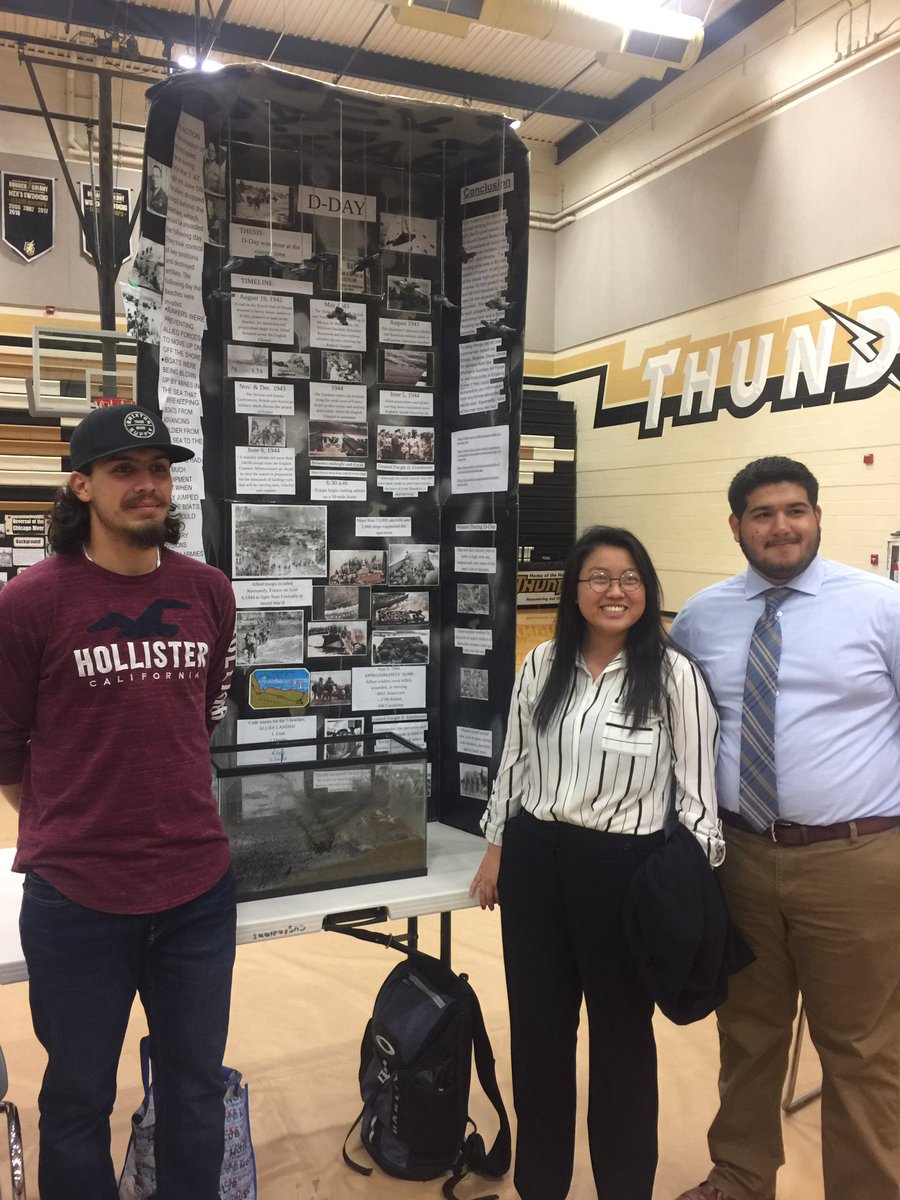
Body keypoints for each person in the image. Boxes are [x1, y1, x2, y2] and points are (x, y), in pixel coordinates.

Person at [0, 404, 237, 1200]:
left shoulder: (208, 592)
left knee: (196, 1090)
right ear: (82, 485)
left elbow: (200, 717)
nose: (147, 487)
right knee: (76, 1102)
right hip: (78, 901)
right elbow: (5, 743)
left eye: (159, 470)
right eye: (125, 470)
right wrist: (69, 825)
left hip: (197, 893)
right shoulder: (32, 602)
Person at [669, 456, 900, 1200]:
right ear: (736, 526)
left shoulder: (879, 607)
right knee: (748, 1032)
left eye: (796, 510)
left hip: (854, 860)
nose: (782, 527)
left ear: (819, 517)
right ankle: (739, 1175)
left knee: (861, 1048)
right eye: (763, 514)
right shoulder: (703, 616)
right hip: (738, 855)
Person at [470, 525, 724, 1200]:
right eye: (599, 578)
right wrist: (497, 844)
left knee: (621, 1044)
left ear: (648, 589)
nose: (615, 591)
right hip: (536, 868)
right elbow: (514, 765)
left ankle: (623, 1187)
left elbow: (699, 801)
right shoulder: (540, 664)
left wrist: (681, 893)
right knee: (540, 1037)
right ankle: (541, 1185)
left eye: (630, 578)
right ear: (573, 590)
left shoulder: (673, 677)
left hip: (625, 875)